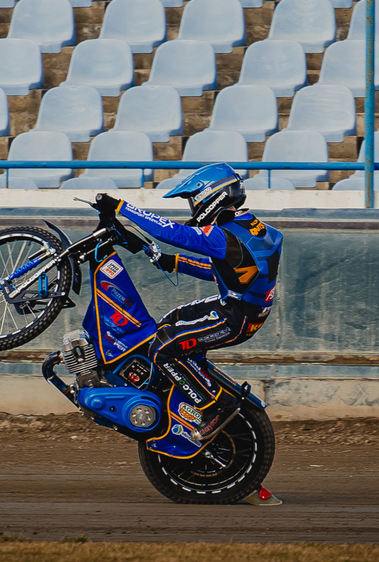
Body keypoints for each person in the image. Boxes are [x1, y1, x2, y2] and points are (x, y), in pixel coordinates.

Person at [94, 163, 282, 440]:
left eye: (194, 200)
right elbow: (225, 271)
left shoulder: (222, 235)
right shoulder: (253, 228)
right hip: (241, 308)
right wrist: (175, 263)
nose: (193, 207)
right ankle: (188, 382)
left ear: (212, 196)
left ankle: (214, 406)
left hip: (235, 317)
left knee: (162, 348)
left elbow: (171, 232)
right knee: (170, 321)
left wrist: (122, 206)